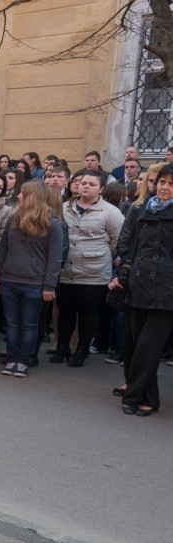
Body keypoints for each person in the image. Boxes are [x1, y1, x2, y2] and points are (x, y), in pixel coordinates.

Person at [110, 164, 173, 416]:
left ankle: (133, 395)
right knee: (137, 345)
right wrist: (123, 273)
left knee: (149, 347)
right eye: (163, 182)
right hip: (137, 283)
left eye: (172, 184)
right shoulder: (142, 208)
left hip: (166, 290)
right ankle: (150, 397)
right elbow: (128, 244)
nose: (166, 187)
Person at [0, 180, 64, 377]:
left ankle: (23, 361)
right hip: (10, 280)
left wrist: (49, 285)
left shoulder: (52, 223)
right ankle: (12, 359)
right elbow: (3, 250)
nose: (18, 196)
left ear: (33, 196)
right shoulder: (14, 219)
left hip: (35, 284)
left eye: (22, 192)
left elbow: (55, 258)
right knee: (12, 324)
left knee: (29, 324)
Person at [53, 170, 124, 366]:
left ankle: (82, 349)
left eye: (92, 184)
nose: (85, 186)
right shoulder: (64, 207)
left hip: (94, 271)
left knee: (88, 312)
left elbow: (118, 241)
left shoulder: (110, 212)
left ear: (101, 189)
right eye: (83, 183)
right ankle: (62, 347)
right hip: (65, 269)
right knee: (65, 310)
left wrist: (98, 253)